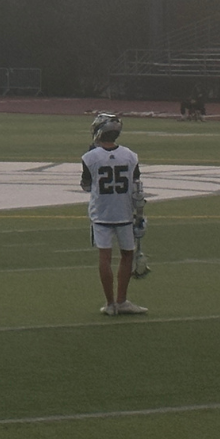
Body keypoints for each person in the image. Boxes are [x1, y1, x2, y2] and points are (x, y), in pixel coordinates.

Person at [82, 114, 146, 315]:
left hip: (101, 212)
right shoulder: (130, 155)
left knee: (105, 256)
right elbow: (137, 188)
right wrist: (140, 214)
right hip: (125, 212)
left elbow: (85, 185)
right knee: (127, 255)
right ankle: (122, 300)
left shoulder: (90, 156)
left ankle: (110, 304)